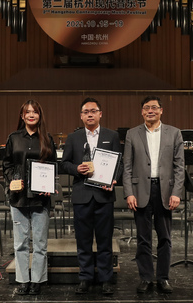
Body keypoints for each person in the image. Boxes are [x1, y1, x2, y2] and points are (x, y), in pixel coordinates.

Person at [122, 95, 185, 294]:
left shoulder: (174, 133)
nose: (151, 111)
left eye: (155, 107)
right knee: (143, 238)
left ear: (161, 110)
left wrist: (176, 193)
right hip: (140, 190)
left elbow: (179, 167)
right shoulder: (132, 134)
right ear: (142, 111)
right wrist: (129, 193)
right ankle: (146, 277)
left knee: (165, 237)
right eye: (147, 108)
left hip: (165, 191)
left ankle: (163, 278)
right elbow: (127, 167)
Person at [61, 97, 122, 296]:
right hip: (82, 196)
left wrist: (114, 178)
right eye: (86, 112)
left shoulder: (112, 136)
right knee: (83, 240)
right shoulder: (73, 138)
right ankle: (85, 278)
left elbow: (119, 163)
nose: (90, 114)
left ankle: (105, 279)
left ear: (100, 114)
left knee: (105, 240)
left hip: (104, 195)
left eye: (93, 111)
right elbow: (64, 163)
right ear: (81, 116)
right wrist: (76, 169)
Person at [2, 100, 57, 296]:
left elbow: (53, 166)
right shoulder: (14, 138)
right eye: (28, 112)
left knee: (40, 243)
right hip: (18, 198)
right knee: (21, 243)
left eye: (35, 112)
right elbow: (6, 164)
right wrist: (12, 180)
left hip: (40, 199)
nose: (31, 115)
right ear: (22, 116)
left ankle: (37, 280)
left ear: (40, 116)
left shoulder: (47, 139)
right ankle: (23, 280)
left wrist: (49, 186)